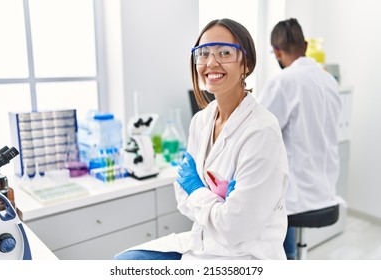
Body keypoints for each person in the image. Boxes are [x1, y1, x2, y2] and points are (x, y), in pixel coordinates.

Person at [113, 18, 289, 260]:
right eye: (203, 53)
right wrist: (219, 203)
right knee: (123, 262)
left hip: (247, 256)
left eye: (224, 52)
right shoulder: (201, 121)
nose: (211, 62)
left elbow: (235, 229)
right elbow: (180, 194)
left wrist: (197, 189)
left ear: (246, 64)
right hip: (203, 243)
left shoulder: (261, 131)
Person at [257, 18, 342, 259]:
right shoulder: (329, 81)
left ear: (276, 51)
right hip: (326, 192)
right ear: (305, 45)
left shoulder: (283, 81)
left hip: (297, 199)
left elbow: (259, 132)